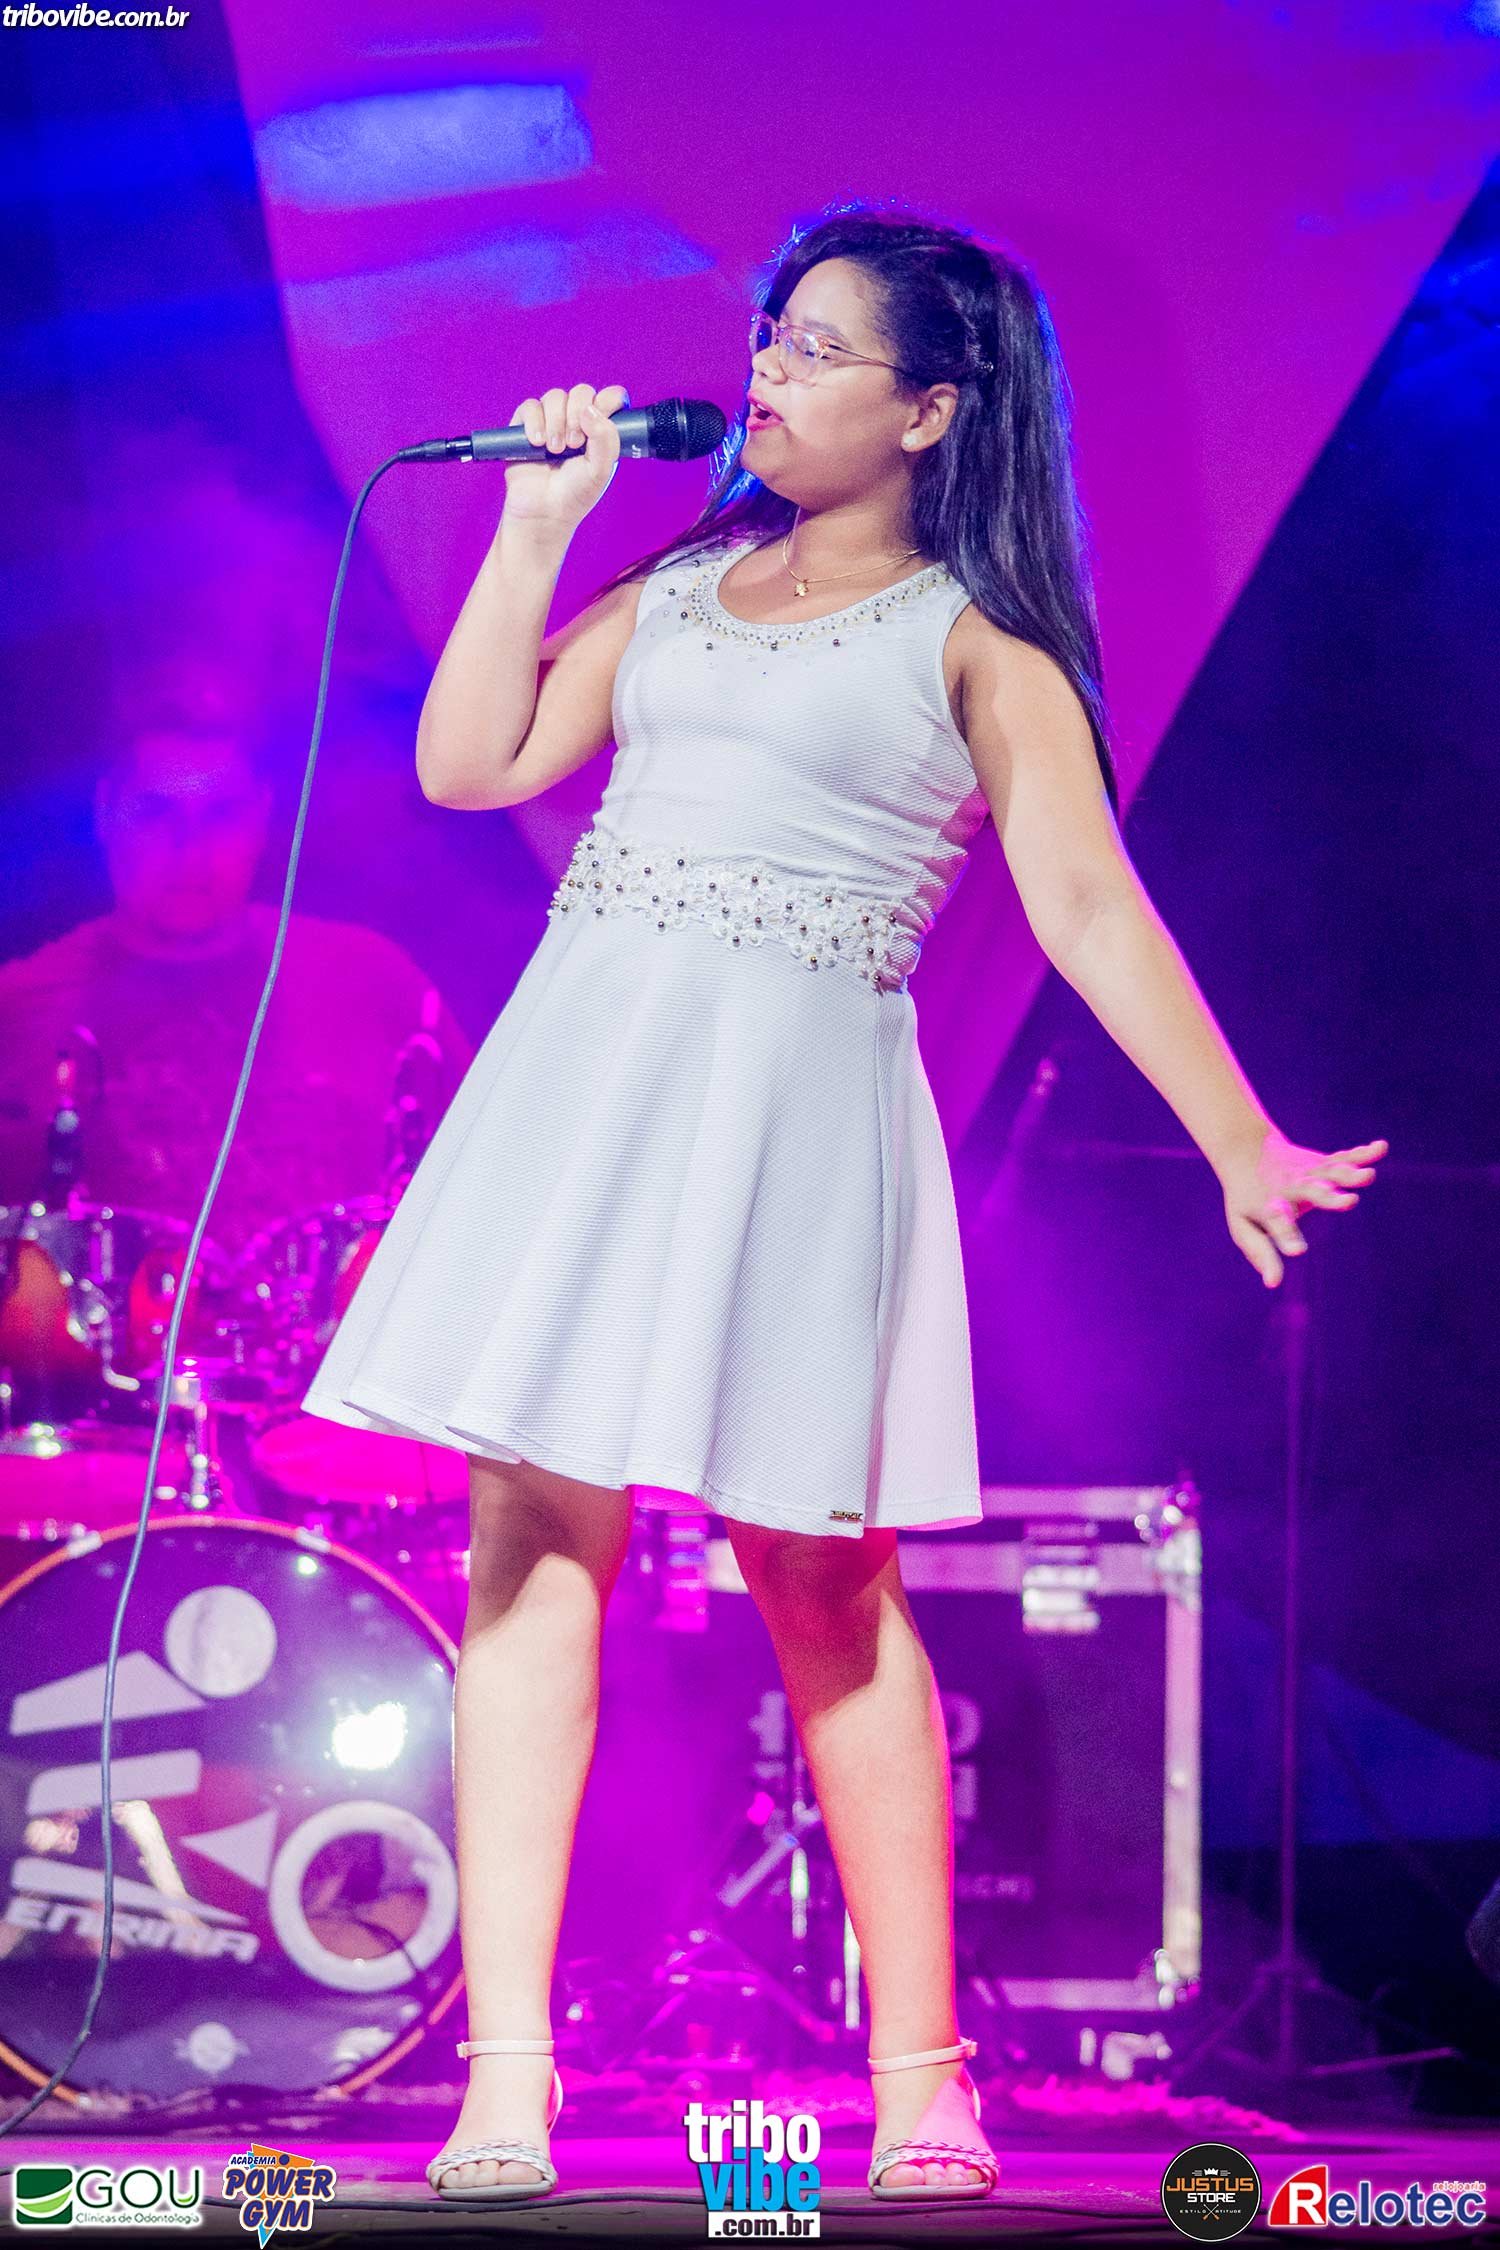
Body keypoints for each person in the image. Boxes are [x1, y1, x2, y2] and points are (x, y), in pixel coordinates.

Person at [301, 203, 1388, 2205]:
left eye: (816, 348)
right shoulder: (680, 583)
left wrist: (1239, 1135)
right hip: (588, 1090)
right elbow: (472, 764)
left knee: (825, 1581)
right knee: (527, 1551)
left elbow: (1087, 907)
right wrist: (536, 530)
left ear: (933, 408)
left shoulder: (976, 641)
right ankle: (507, 2079)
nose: (770, 373)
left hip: (795, 1120)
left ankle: (923, 2081)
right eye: (769, 337)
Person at [0, 675, 471, 1262]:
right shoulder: (22, 1009)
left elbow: (487, 1159)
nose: (190, 846)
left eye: (220, 812)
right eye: (157, 812)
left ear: (261, 815)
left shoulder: (370, 979)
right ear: (105, 812)